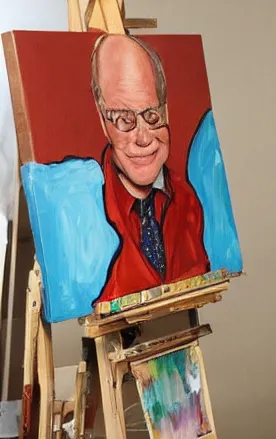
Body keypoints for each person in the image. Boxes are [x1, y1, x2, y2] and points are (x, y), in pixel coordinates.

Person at [90, 33, 210, 303]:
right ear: (101, 119)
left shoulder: (188, 202)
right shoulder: (87, 213)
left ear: (165, 111)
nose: (143, 137)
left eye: (152, 115)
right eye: (124, 119)